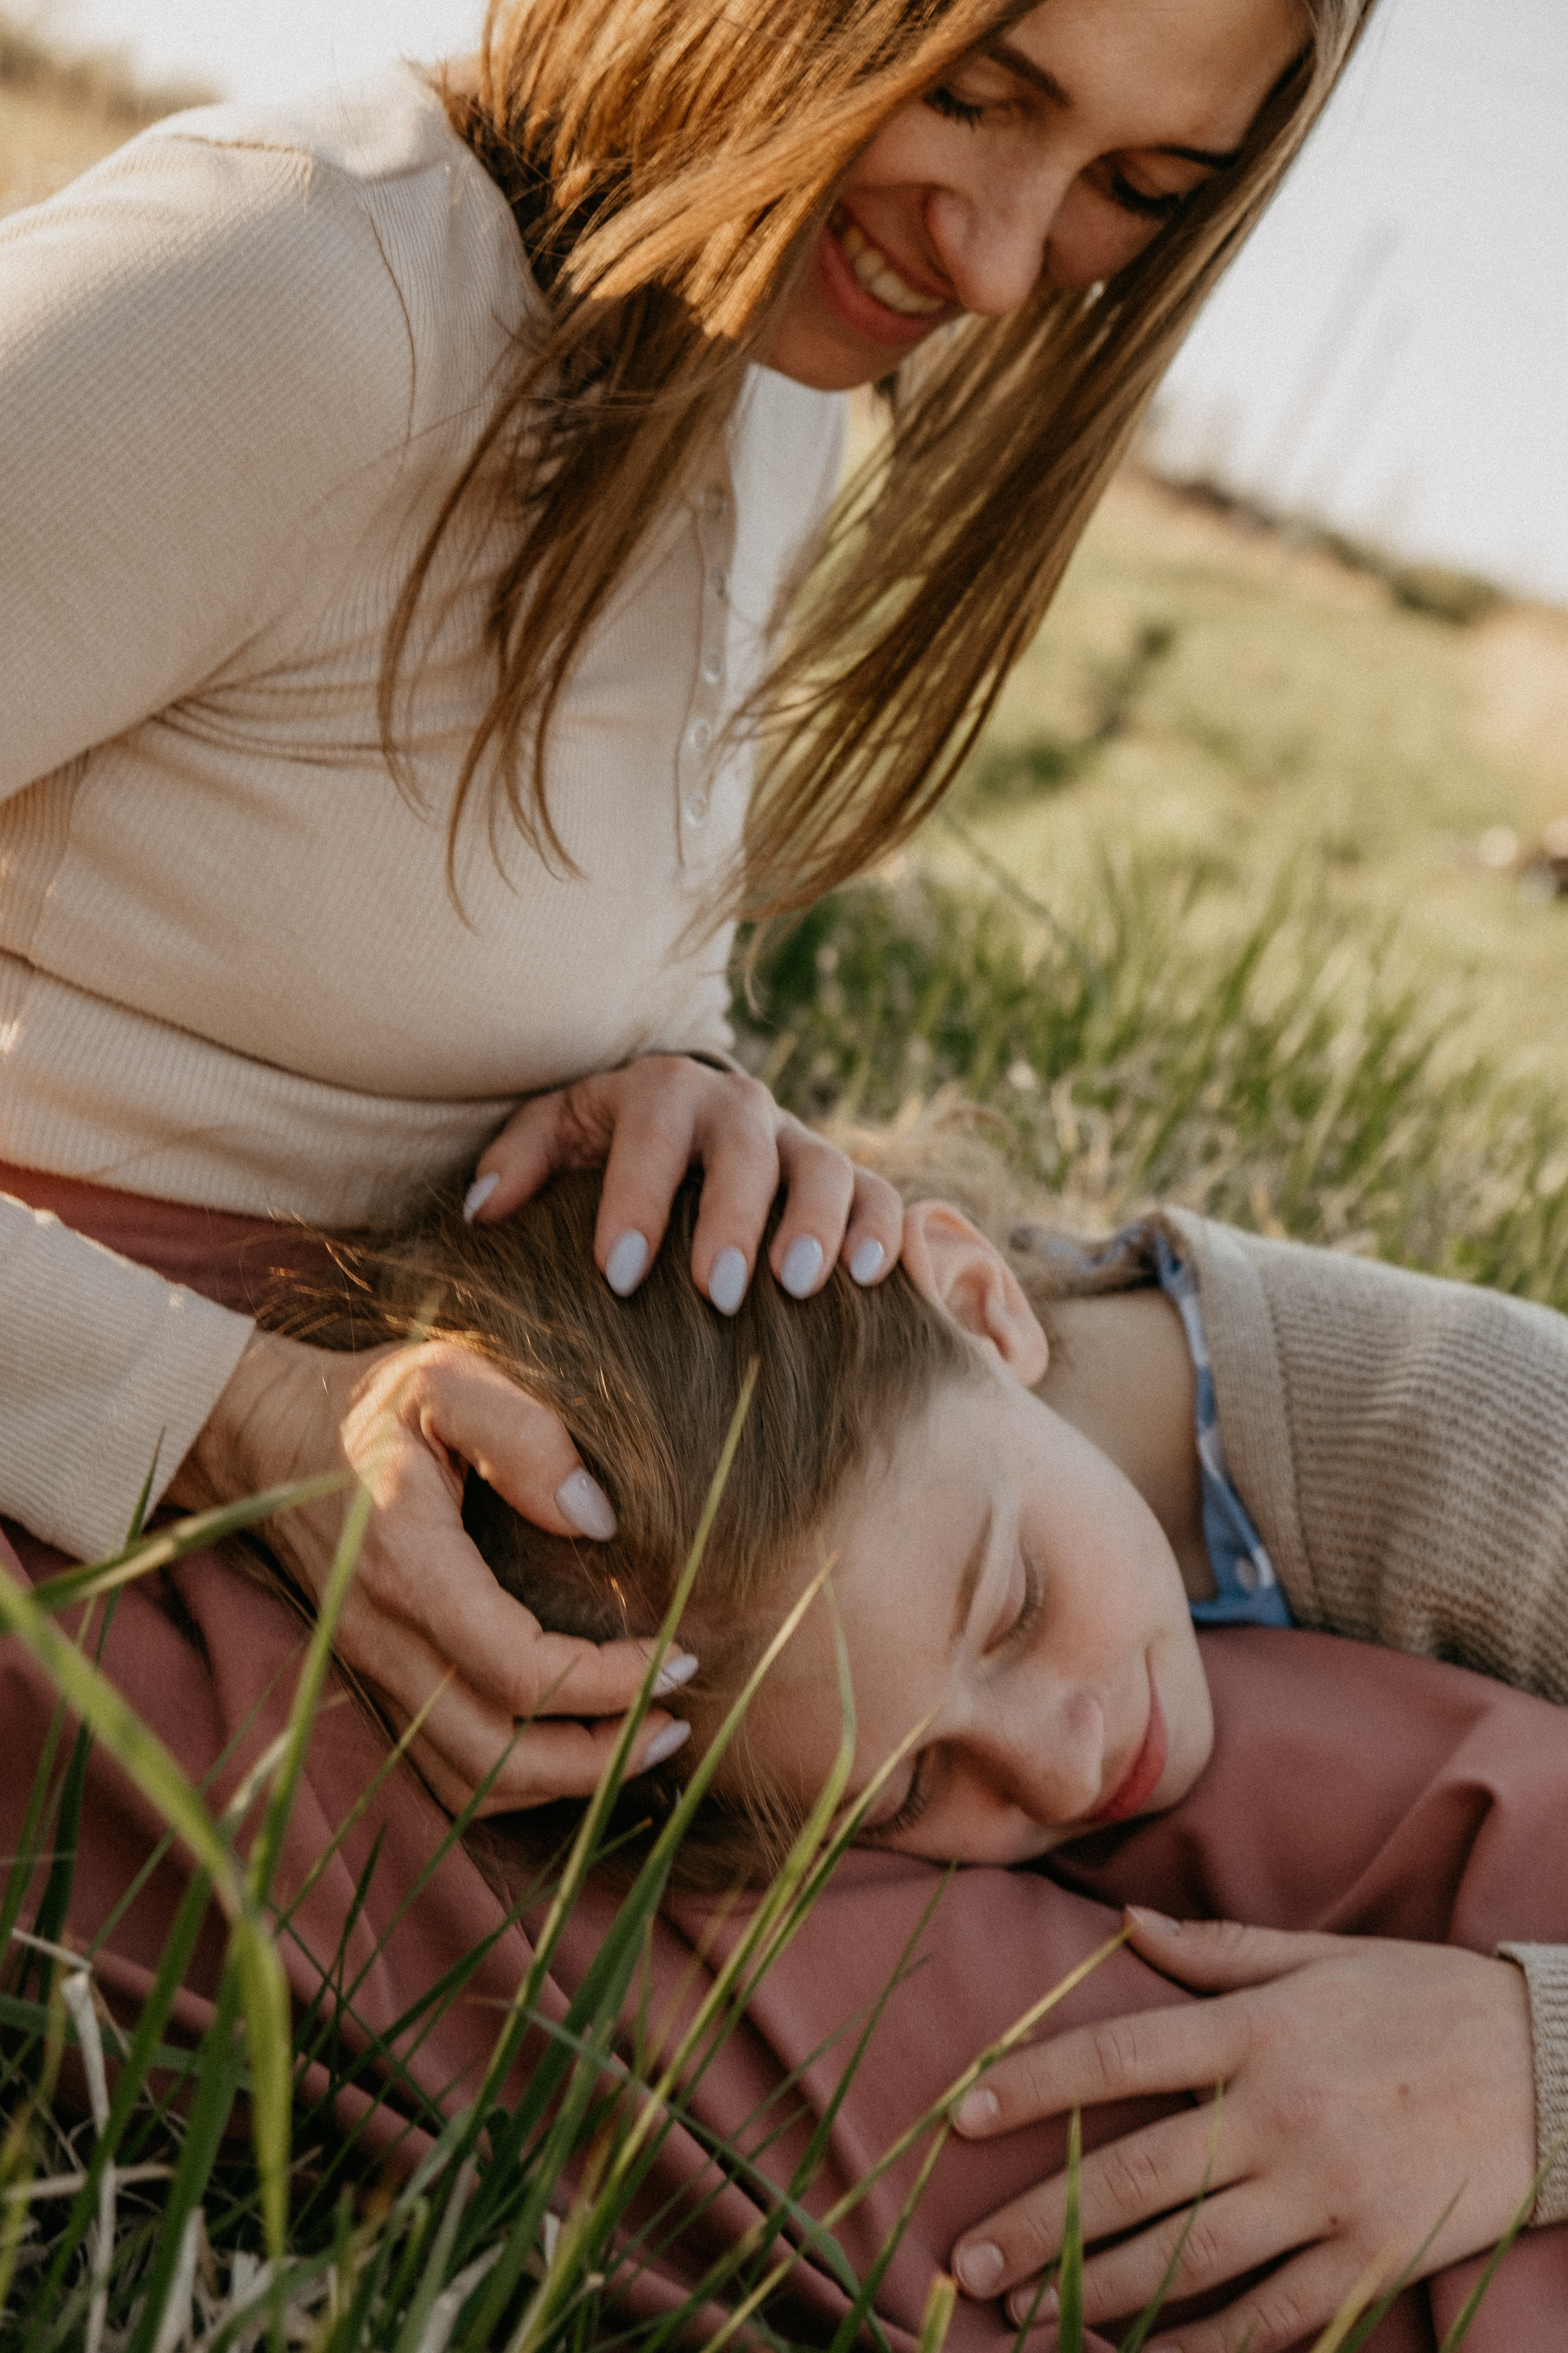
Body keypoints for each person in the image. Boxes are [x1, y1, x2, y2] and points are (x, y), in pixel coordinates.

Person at [1, 0, 1370, 1820]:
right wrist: (213, 1404)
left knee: (1295, 1559)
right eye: (967, 91)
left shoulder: (766, 383)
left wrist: (673, 1077)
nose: (998, 253)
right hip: (111, 1461)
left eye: (1135, 184)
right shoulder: (301, 301)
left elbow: (450, 919)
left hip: (476, 1441)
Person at [259, 1148, 1568, 2348]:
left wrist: (1530, 2060)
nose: (1059, 1769)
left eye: (1018, 1606)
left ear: (978, 1299)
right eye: (915, 1790)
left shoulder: (1483, 1446)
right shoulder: (945, 1500)